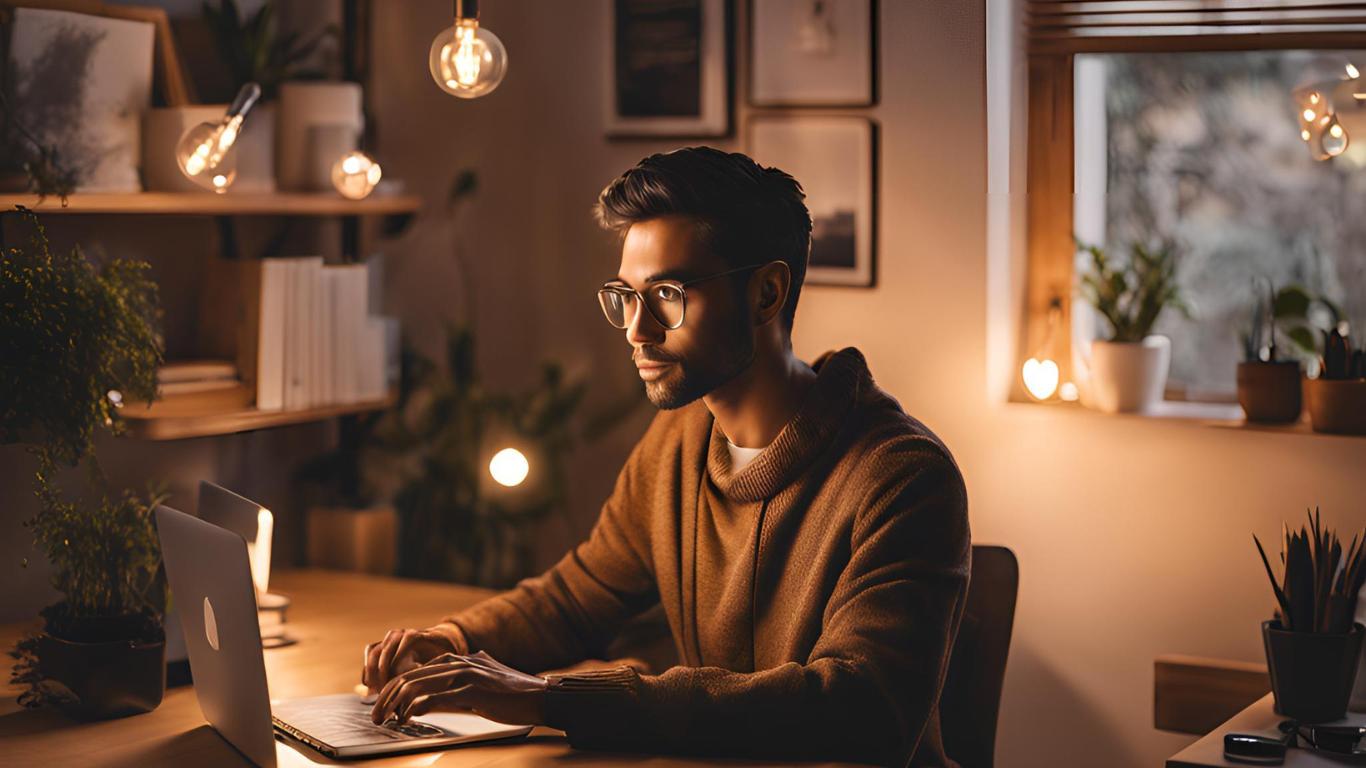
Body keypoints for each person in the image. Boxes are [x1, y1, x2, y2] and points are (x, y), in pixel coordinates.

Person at [361, 147, 971, 767]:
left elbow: (859, 709)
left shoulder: (901, 476)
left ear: (766, 293)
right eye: (625, 295)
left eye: (669, 294)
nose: (636, 329)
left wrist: (554, 700)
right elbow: (578, 597)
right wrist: (456, 642)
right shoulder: (677, 439)